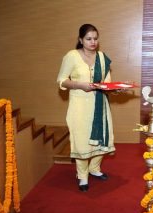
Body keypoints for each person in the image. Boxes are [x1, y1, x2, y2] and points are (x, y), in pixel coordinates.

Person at [57, 24, 115, 192]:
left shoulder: (102, 58)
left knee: (102, 138)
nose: (93, 42)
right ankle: (82, 175)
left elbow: (107, 83)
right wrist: (79, 85)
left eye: (95, 39)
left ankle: (94, 168)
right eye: (89, 39)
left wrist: (115, 88)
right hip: (80, 106)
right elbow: (61, 80)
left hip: (100, 104)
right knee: (82, 141)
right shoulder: (72, 56)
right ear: (80, 40)